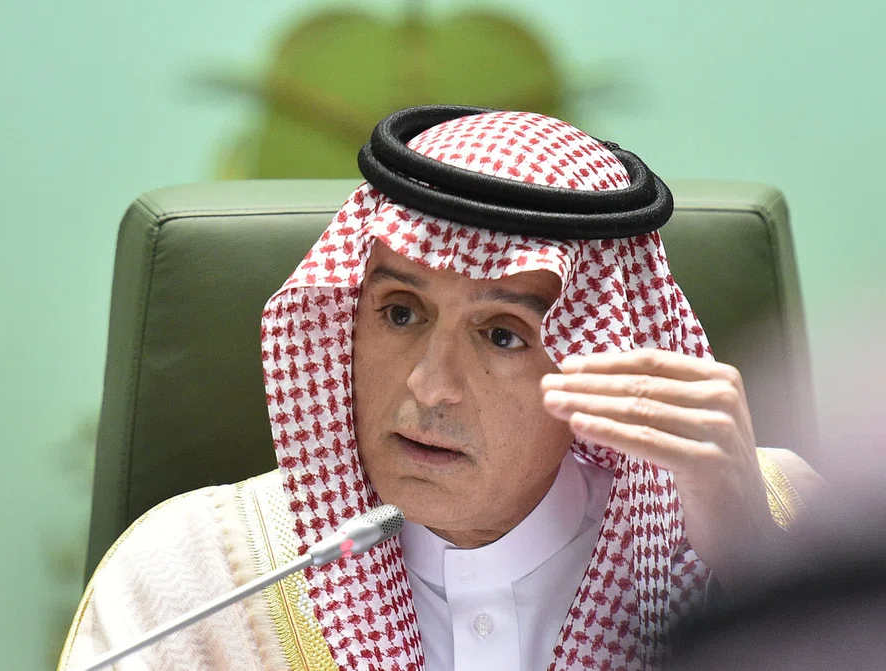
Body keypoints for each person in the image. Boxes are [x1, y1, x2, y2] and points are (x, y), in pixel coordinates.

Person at [58, 106, 819, 671]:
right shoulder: (192, 579)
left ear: (602, 357)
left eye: (501, 335)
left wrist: (760, 571)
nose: (430, 386)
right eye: (399, 312)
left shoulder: (777, 522)